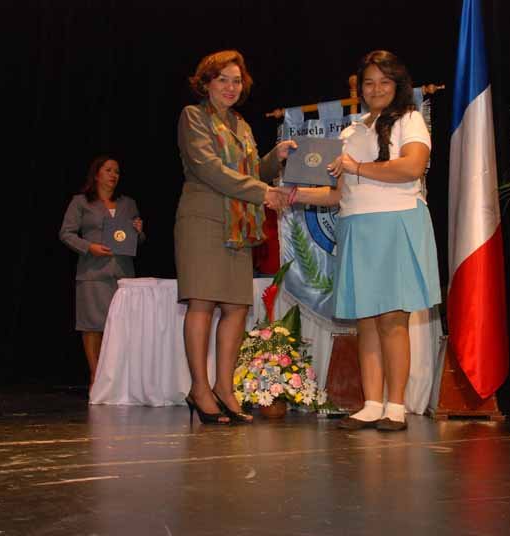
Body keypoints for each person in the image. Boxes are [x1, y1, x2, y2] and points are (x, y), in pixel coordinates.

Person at [281, 50, 440, 431]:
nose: (376, 89)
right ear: (359, 88)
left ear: (398, 85)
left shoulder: (410, 119)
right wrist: (291, 194)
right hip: (356, 226)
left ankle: (395, 406)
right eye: (369, 82)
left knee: (393, 319)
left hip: (396, 222)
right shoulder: (351, 132)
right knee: (365, 320)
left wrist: (357, 167)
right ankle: (371, 403)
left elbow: (412, 166)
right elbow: (339, 194)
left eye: (384, 82)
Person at [175, 49, 294, 425]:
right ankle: (199, 389)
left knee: (237, 308)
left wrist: (275, 157)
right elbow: (209, 169)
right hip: (204, 221)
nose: (230, 87)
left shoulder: (241, 124)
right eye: (222, 79)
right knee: (202, 304)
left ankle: (224, 389)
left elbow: (251, 171)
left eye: (236, 81)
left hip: (238, 225)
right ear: (206, 83)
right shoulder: (193, 116)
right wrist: (263, 192)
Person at [59, 155, 144, 387]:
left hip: (123, 274)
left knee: (119, 327)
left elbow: (136, 240)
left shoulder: (128, 203)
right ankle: (95, 376)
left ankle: (114, 376)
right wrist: (89, 247)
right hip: (93, 273)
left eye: (117, 171)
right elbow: (66, 233)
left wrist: (138, 231)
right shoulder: (81, 202)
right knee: (92, 325)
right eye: (108, 170)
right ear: (96, 174)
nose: (113, 175)